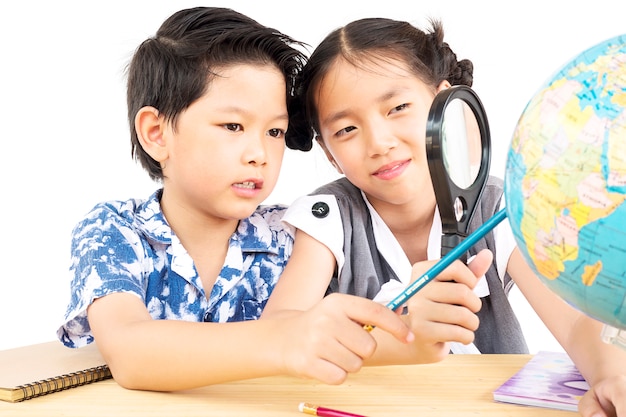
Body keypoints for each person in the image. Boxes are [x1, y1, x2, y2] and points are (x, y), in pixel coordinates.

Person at [262, 17, 626, 416]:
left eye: (398, 108)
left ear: (447, 106)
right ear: (329, 154)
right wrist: (403, 330)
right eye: (347, 129)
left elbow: (576, 324)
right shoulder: (327, 218)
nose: (379, 143)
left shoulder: (497, 204)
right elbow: (280, 333)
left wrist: (611, 376)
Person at [55, 7, 424, 392]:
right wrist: (283, 338)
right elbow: (129, 351)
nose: (259, 153)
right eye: (233, 126)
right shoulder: (114, 230)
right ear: (156, 133)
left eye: (275, 131)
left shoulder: (301, 233)